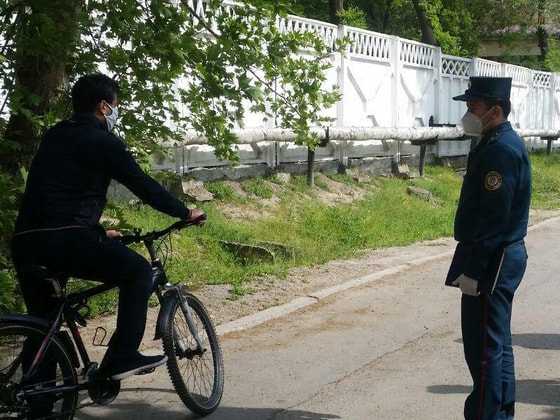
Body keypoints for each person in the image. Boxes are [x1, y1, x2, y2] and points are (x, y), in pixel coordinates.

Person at [11, 73, 204, 386]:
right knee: (138, 272)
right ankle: (122, 356)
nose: (116, 111)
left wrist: (98, 233)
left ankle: (37, 399)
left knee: (43, 323)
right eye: (116, 105)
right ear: (104, 106)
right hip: (68, 238)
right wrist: (186, 212)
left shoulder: (54, 136)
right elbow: (142, 184)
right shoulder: (102, 141)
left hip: (27, 242)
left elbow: (59, 195)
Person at [445, 76, 531, 419]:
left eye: (473, 107)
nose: (467, 114)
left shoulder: (499, 149)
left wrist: (474, 270)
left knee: (483, 351)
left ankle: (486, 414)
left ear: (494, 111)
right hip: (499, 255)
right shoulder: (494, 141)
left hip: (492, 259)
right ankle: (500, 414)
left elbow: (493, 219)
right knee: (496, 346)